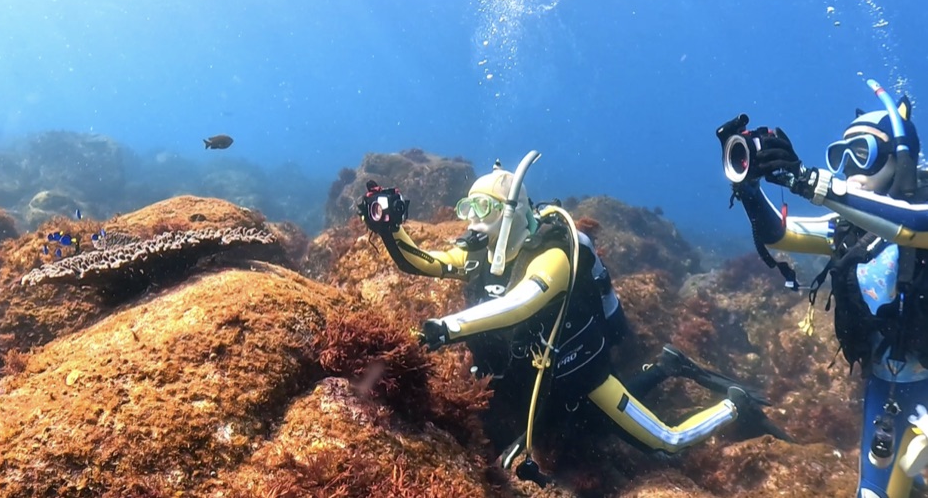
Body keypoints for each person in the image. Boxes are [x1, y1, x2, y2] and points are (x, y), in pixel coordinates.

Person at [358, 152, 786, 484]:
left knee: (662, 442)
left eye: (482, 209)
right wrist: (390, 229)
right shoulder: (482, 252)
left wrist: (447, 327)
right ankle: (666, 365)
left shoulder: (554, 256)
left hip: (582, 373)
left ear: (509, 212)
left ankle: (734, 403)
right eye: (467, 207)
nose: (470, 221)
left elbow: (520, 303)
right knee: (579, 428)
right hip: (533, 375)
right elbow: (428, 262)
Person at [719, 78, 928, 498]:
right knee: (875, 491)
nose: (848, 166)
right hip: (886, 384)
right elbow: (779, 235)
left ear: (898, 160)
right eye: (839, 155)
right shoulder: (847, 228)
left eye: (862, 153)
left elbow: (912, 227)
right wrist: (748, 188)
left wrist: (813, 181)